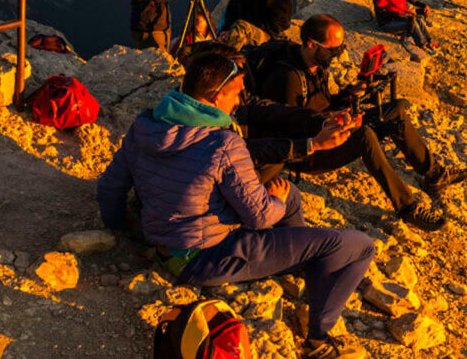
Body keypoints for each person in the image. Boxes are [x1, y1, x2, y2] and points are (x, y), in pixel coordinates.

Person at [97, 49, 372, 359]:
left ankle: (304, 265)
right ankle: (318, 339)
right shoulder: (223, 142)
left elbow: (109, 188)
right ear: (216, 96)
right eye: (236, 93)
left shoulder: (146, 125)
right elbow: (260, 218)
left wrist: (121, 231)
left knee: (289, 194)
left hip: (171, 246)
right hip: (208, 257)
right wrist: (277, 203)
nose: (239, 101)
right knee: (360, 245)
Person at [258, 15, 467, 230]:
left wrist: (349, 94)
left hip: (327, 127)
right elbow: (291, 126)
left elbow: (325, 104)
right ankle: (407, 206)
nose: (337, 54)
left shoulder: (316, 63)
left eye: (340, 48)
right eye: (333, 49)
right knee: (363, 135)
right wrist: (342, 123)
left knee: (396, 109)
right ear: (311, 44)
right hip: (308, 151)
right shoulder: (287, 78)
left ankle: (435, 174)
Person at [372, 0, 436, 52]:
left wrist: (421, 8)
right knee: (412, 22)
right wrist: (406, 15)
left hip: (397, 18)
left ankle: (429, 41)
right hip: (387, 22)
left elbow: (409, 3)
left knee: (418, 19)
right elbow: (387, 13)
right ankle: (422, 44)